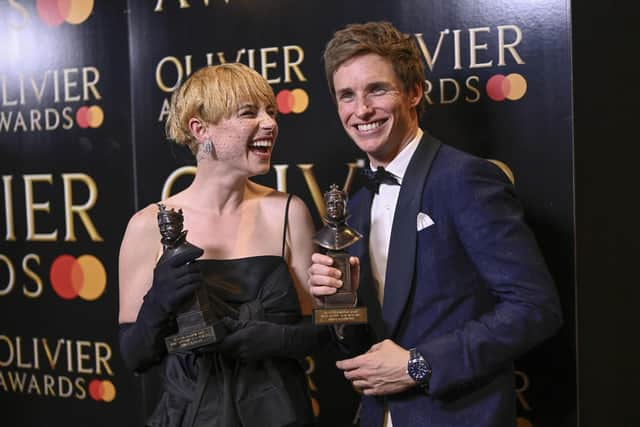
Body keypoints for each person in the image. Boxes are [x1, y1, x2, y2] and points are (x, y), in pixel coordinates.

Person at [307, 21, 563, 427]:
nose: (362, 110)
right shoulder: (354, 206)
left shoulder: (464, 179)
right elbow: (363, 348)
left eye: (377, 89)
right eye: (347, 96)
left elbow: (535, 308)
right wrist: (337, 305)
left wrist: (418, 365)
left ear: (413, 92)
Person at [118, 63, 324, 427]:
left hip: (281, 415)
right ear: (200, 129)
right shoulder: (147, 226)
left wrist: (275, 339)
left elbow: (320, 330)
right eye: (249, 113)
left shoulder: (290, 213)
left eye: (271, 112)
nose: (270, 123)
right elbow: (135, 356)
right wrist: (157, 304)